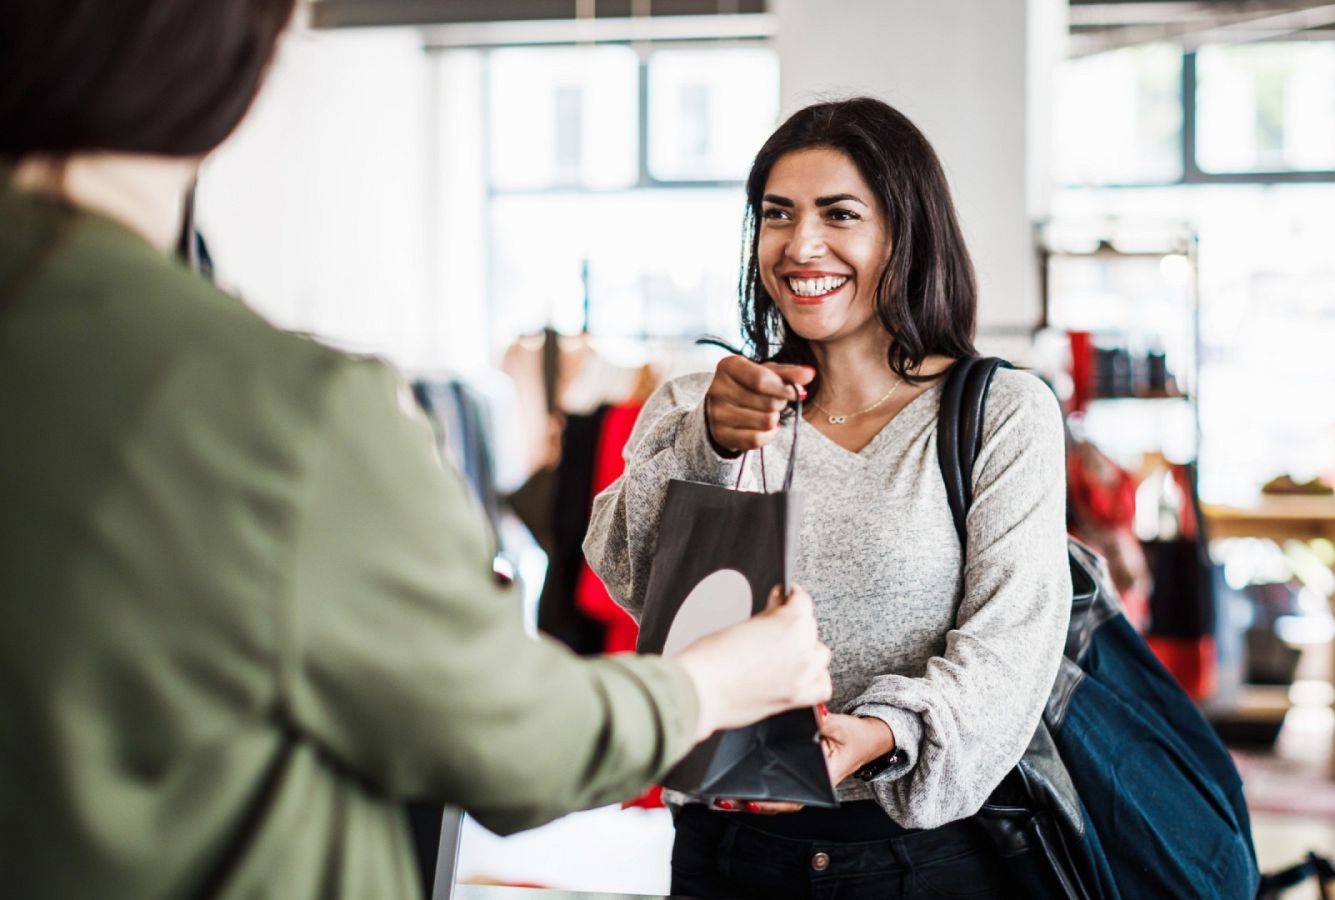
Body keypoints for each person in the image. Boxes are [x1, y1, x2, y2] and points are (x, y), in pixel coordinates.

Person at [0, 3, 831, 898]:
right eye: (779, 215)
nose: (803, 244)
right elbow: (513, 740)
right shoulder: (286, 413)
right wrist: (710, 683)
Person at [585, 97, 1073, 898]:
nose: (801, 245)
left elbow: (1011, 644)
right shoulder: (700, 404)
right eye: (778, 215)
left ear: (903, 234)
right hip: (722, 847)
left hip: (919, 857)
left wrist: (879, 733)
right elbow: (633, 584)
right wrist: (705, 446)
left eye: (839, 214)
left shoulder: (999, 416)